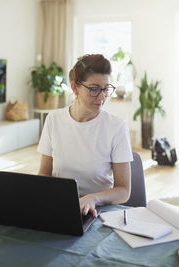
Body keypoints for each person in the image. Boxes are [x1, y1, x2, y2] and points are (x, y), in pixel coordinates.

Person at [37, 54, 133, 218]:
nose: (102, 97)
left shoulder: (116, 127)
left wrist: (93, 199)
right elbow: (44, 175)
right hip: (59, 207)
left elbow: (124, 191)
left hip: (98, 212)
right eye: (94, 89)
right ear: (75, 88)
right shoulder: (54, 120)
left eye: (105, 89)